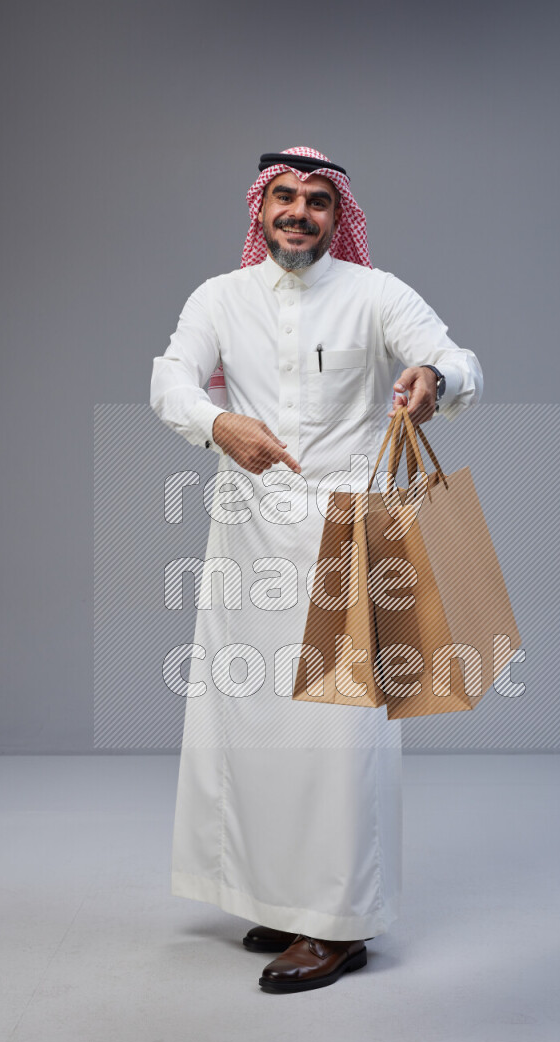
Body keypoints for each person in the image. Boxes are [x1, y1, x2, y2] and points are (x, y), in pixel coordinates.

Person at [150, 146, 482, 993]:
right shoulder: (219, 298)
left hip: (349, 532)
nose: (299, 212)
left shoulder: (376, 293)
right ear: (260, 209)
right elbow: (170, 379)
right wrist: (217, 425)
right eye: (285, 197)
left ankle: (338, 925)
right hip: (248, 536)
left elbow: (458, 360)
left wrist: (432, 378)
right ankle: (282, 898)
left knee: (339, 741)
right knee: (253, 725)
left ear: (339, 216)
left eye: (318, 201)